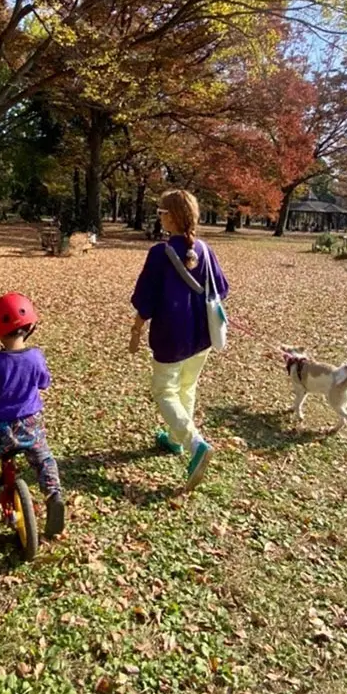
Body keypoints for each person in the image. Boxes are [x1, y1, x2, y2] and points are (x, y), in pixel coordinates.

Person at [129, 189, 228, 490]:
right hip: (202, 335)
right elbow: (221, 290)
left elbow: (144, 301)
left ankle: (194, 443)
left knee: (164, 390)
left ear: (171, 217)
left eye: (161, 212)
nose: (159, 217)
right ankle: (175, 439)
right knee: (187, 386)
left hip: (172, 335)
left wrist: (135, 332)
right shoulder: (206, 249)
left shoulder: (160, 253)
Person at [0, 292, 64, 546]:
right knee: (44, 460)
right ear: (30, 326)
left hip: (1, 431)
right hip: (31, 426)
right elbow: (44, 382)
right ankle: (53, 493)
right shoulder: (36, 357)